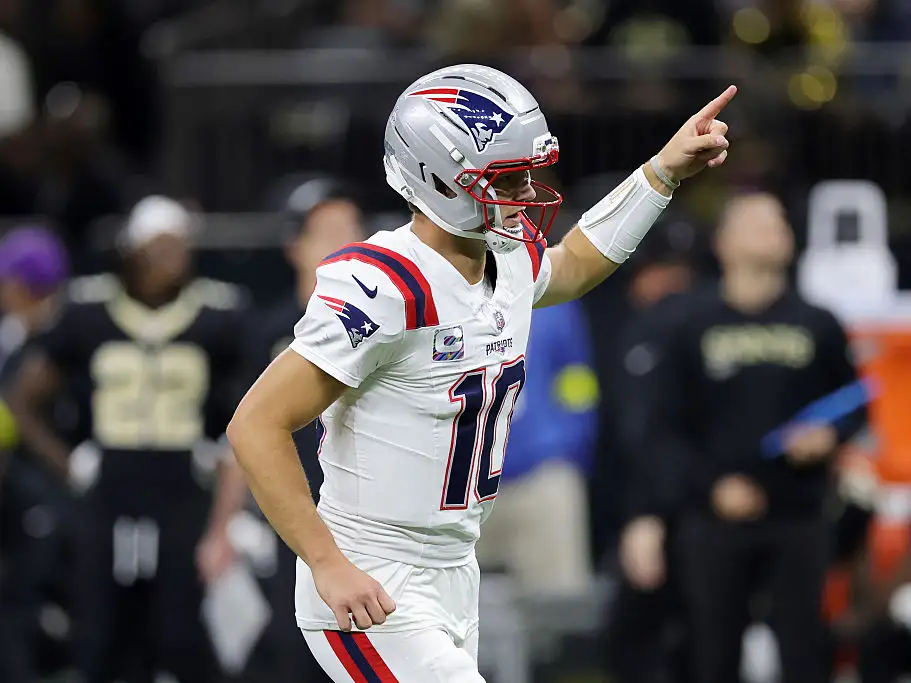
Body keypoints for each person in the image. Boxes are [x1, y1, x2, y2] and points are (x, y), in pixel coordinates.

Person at [228, 63, 735, 682]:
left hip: (453, 567)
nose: (526, 192)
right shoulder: (386, 286)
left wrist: (660, 174)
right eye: (507, 178)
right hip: (375, 572)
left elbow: (575, 264)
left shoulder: (506, 257)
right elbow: (256, 425)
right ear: (440, 179)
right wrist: (325, 561)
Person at [7, 196, 252, 683]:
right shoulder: (88, 311)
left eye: (178, 246)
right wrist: (69, 463)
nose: (171, 258)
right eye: (159, 246)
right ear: (133, 250)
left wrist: (224, 510)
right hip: (109, 485)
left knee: (180, 630)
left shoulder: (218, 314)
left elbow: (248, 411)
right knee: (100, 629)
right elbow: (24, 398)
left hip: (182, 483)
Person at [651, 193, 867, 683]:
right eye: (757, 223)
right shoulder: (689, 324)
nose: (773, 232)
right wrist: (712, 488)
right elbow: (665, 427)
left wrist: (828, 435)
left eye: (779, 223)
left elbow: (855, 403)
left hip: (799, 513)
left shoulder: (818, 323)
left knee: (804, 653)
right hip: (714, 516)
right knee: (713, 654)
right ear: (724, 242)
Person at [250, 177, 364, 683]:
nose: (346, 242)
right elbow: (242, 431)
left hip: (367, 513)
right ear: (295, 246)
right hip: (295, 514)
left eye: (352, 229)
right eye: (329, 232)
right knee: (296, 645)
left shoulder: (385, 321)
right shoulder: (267, 330)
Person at [599, 216, 698, 683]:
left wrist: (646, 514)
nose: (671, 286)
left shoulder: (657, 330)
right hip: (661, 509)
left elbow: (651, 435)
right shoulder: (627, 328)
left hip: (680, 514)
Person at [473, 295, 598, 596]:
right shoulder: (436, 289)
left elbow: (576, 375)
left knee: (558, 603)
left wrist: (569, 447)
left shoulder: (549, 292)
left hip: (540, 472)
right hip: (459, 481)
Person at [0, 227, 71, 683]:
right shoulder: (11, 337)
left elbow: (22, 414)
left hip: (50, 492)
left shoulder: (63, 339)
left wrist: (68, 471)